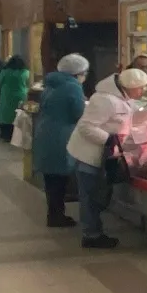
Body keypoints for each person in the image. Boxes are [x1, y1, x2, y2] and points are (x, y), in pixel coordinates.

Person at [66, 67, 147, 249]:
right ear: (129, 86)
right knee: (89, 195)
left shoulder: (124, 98)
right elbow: (86, 127)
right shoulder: (104, 100)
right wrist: (109, 139)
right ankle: (91, 235)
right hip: (88, 154)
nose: (142, 92)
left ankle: (93, 229)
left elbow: (132, 116)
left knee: (97, 194)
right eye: (140, 88)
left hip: (104, 155)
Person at [34, 54, 88, 228]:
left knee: (51, 179)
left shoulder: (51, 84)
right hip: (61, 135)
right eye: (84, 73)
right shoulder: (73, 86)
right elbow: (78, 113)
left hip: (45, 132)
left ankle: (53, 213)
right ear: (78, 73)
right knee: (59, 178)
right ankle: (57, 216)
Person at [0, 55, 30, 141]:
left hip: (6, 96)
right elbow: (28, 83)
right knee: (19, 115)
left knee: (6, 116)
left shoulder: (5, 72)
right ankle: (18, 137)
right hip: (21, 96)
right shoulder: (25, 72)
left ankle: (6, 136)